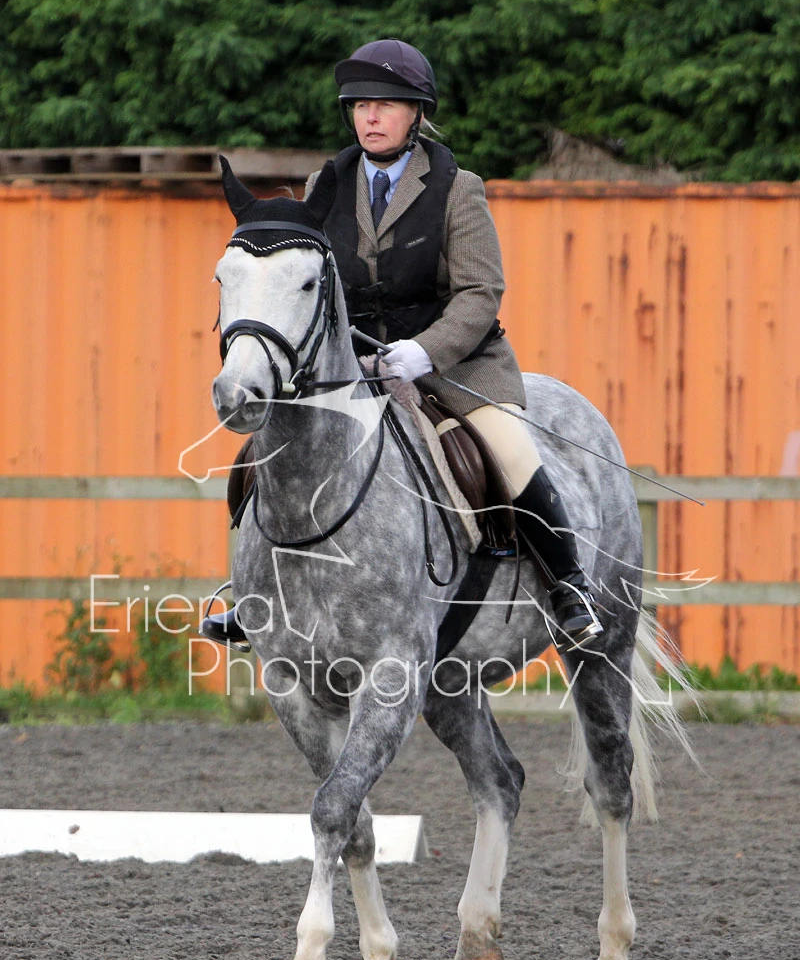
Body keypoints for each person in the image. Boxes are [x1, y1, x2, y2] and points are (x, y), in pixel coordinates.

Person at [202, 39, 601, 652]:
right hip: (351, 365)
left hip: (451, 366)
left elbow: (480, 292)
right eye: (361, 106)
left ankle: (568, 584)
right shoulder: (324, 186)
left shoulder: (456, 188)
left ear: (416, 114)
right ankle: (255, 592)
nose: (371, 117)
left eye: (386, 105)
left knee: (509, 450)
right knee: (265, 453)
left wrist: (424, 352)